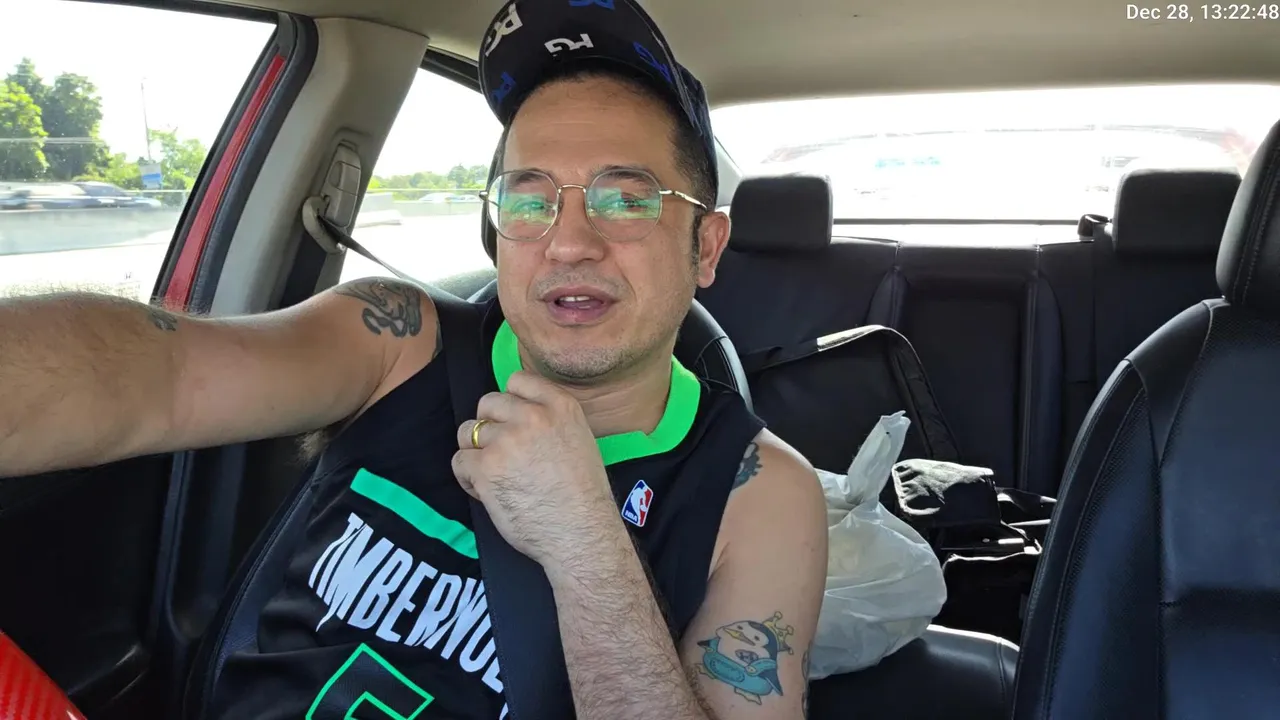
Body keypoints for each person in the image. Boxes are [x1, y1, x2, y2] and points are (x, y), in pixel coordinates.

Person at [0, 0, 828, 718]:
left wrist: (583, 539)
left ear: (705, 245)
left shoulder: (758, 495)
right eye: (530, 199)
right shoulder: (396, 344)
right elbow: (163, 377)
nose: (568, 242)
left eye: (625, 198)